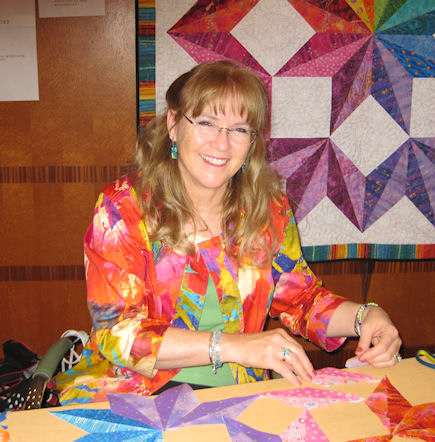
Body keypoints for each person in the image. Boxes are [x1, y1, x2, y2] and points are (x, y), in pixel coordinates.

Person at [53, 61, 401, 405]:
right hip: (134, 396)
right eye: (206, 122)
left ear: (252, 142)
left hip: (239, 396)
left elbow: (302, 300)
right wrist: (233, 346)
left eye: (239, 129)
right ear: (174, 124)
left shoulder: (269, 210)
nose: (221, 145)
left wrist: (365, 316)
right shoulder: (123, 210)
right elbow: (118, 334)